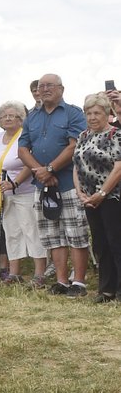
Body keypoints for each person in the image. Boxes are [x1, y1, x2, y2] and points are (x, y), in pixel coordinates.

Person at [19, 75, 88, 296]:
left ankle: (78, 282)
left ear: (61, 89)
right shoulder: (32, 117)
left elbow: (74, 145)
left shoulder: (73, 113)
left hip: (68, 183)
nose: (45, 89)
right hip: (43, 186)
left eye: (50, 86)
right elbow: (22, 150)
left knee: (75, 234)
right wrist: (42, 172)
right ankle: (61, 281)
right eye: (41, 86)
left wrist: (50, 169)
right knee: (53, 235)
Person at [0, 101, 46, 286]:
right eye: (4, 115)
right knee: (12, 232)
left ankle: (39, 274)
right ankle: (14, 273)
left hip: (26, 190)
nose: (7, 118)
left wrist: (15, 183)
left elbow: (32, 162)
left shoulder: (26, 135)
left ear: (21, 119)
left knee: (31, 231)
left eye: (12, 115)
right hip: (5, 193)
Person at [74, 93, 121, 303]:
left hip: (112, 197)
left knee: (116, 242)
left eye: (97, 113)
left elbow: (118, 167)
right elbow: (77, 166)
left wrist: (102, 193)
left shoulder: (115, 135)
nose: (92, 117)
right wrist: (80, 192)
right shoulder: (83, 135)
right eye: (89, 113)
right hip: (89, 199)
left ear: (107, 114)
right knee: (100, 244)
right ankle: (106, 290)